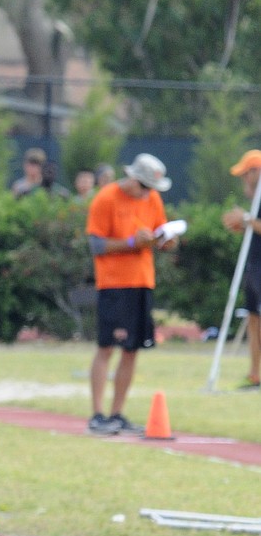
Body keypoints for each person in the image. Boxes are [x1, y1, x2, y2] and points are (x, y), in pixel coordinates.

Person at [85, 153, 178, 434]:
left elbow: (160, 232)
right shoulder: (106, 198)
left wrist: (166, 241)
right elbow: (96, 245)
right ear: (133, 179)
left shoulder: (152, 199)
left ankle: (117, 413)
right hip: (114, 284)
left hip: (142, 281)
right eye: (145, 187)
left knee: (132, 350)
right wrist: (129, 242)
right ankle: (98, 414)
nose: (148, 193)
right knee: (106, 347)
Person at [222, 149, 261, 389]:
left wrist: (246, 219)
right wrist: (242, 225)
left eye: (245, 174)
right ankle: (255, 373)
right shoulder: (255, 200)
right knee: (253, 319)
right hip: (254, 265)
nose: (243, 180)